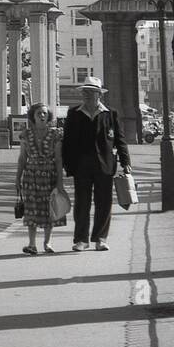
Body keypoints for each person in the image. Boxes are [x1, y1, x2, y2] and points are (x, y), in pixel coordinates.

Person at [61, 76, 131, 251]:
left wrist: (125, 161)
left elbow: (120, 140)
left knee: (104, 202)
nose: (87, 95)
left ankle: (100, 238)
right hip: (81, 165)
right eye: (85, 91)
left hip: (105, 165)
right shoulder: (74, 113)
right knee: (82, 203)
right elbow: (67, 141)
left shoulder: (110, 114)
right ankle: (81, 240)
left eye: (91, 92)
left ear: (99, 94)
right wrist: (67, 165)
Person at [15, 102, 68, 254]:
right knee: (31, 210)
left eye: (45, 113)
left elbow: (58, 159)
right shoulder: (26, 134)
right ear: (33, 116)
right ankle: (32, 244)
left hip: (49, 175)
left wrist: (60, 182)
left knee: (49, 209)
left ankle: (47, 243)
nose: (42, 116)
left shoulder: (55, 134)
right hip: (31, 176)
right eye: (39, 113)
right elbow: (22, 158)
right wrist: (17, 178)